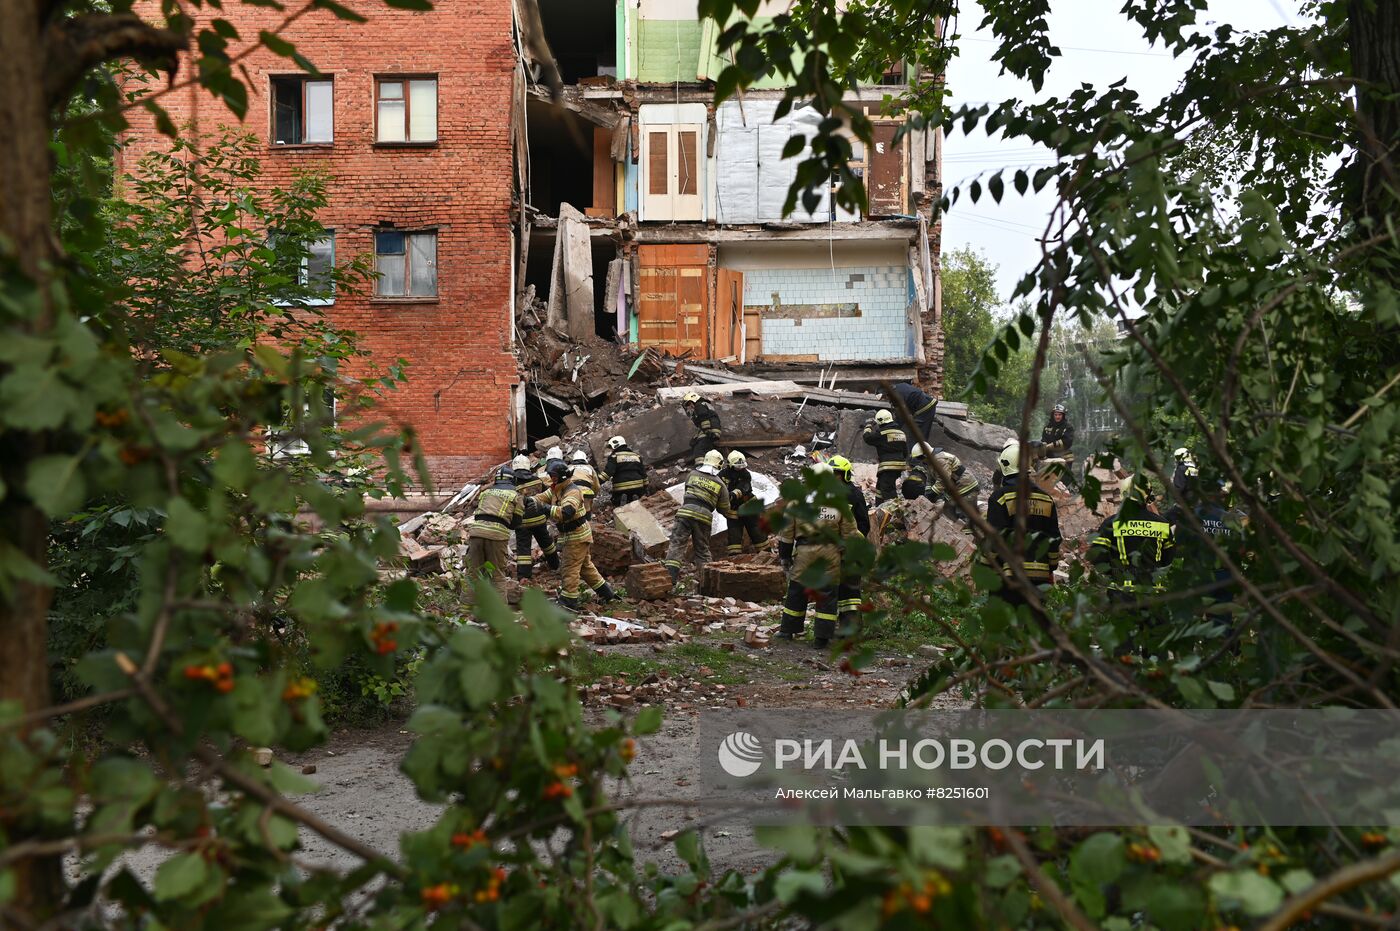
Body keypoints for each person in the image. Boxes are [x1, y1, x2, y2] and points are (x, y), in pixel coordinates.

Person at [776, 463, 860, 648]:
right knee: (827, 594)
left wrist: (785, 557)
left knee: (797, 591)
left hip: (805, 552)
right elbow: (849, 534)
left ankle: (787, 631)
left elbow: (787, 533)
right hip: (830, 553)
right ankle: (822, 638)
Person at [982, 442, 1062, 612]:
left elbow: (994, 539)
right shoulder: (1046, 499)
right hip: (1039, 580)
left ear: (1005, 467)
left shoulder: (1000, 498)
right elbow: (1054, 540)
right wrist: (1051, 567)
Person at [533, 460, 617, 611]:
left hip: (576, 536)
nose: (551, 479)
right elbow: (541, 498)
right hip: (574, 535)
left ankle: (569, 601)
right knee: (586, 568)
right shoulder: (556, 488)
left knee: (569, 568)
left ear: (561, 477)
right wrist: (529, 501)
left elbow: (567, 512)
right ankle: (608, 594)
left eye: (553, 476)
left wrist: (545, 508)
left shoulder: (572, 491)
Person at [1088, 475, 1177, 596]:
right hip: (1152, 594)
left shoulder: (1111, 524)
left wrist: (1115, 573)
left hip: (1121, 594)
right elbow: (1168, 559)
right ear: (1148, 496)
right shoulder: (1162, 524)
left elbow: (1097, 558)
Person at [663, 449, 732, 584]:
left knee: (677, 544)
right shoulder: (720, 484)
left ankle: (670, 579)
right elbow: (724, 509)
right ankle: (707, 583)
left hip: (685, 512)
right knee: (702, 550)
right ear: (719, 465)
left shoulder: (692, 474)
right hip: (704, 518)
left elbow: (687, 492)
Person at [466, 468, 525, 595]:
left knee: (473, 573)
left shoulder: (485, 492)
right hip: (497, 536)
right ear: (512, 480)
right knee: (497, 575)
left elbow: (477, 514)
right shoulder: (516, 496)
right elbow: (516, 523)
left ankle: (465, 610)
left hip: (476, 533)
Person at [828, 455, 870, 632]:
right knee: (834, 591)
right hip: (833, 551)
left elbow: (864, 525)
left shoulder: (854, 494)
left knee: (850, 593)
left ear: (844, 475)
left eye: (837, 474)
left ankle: (851, 630)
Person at [511, 454, 559, 580]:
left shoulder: (512, 484)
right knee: (547, 544)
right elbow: (547, 497)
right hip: (540, 520)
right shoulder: (537, 480)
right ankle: (555, 565)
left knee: (523, 551)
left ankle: (524, 577)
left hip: (522, 523)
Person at [720, 450, 767, 555]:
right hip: (733, 510)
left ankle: (766, 553)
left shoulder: (746, 474)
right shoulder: (722, 475)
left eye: (742, 466)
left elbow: (744, 487)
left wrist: (732, 495)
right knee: (734, 535)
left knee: (756, 531)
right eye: (738, 466)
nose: (741, 468)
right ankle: (735, 559)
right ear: (730, 465)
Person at [862, 409, 907, 503]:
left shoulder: (882, 433)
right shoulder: (901, 433)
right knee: (880, 487)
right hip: (899, 465)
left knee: (887, 489)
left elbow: (867, 438)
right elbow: (905, 451)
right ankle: (879, 508)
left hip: (888, 466)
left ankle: (893, 510)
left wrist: (869, 425)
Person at [927, 448, 981, 526]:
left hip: (966, 488)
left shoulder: (940, 460)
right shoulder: (930, 463)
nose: (921, 461)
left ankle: (968, 533)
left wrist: (933, 492)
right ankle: (960, 530)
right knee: (949, 511)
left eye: (920, 458)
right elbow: (930, 480)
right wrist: (928, 492)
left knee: (965, 515)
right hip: (957, 489)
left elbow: (944, 480)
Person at [891, 381, 940, 448]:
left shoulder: (898, 395)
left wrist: (894, 428)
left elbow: (901, 416)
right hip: (926, 405)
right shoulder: (899, 386)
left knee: (915, 435)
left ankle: (915, 455)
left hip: (925, 407)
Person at [601, 435, 647, 505]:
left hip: (621, 487)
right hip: (638, 486)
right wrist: (645, 488)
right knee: (638, 495)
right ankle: (635, 498)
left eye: (611, 448)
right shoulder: (636, 456)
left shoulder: (615, 456)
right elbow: (643, 473)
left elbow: (608, 473)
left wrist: (597, 481)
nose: (611, 450)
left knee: (615, 500)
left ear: (615, 445)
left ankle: (620, 501)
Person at [681, 391, 722, 464]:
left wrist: (707, 430)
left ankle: (700, 466)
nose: (690, 406)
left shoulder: (699, 405)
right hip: (713, 429)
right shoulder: (705, 404)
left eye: (689, 404)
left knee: (700, 448)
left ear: (693, 400)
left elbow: (704, 417)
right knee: (697, 443)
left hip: (710, 429)